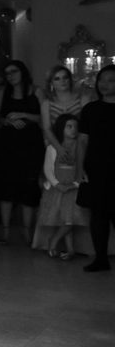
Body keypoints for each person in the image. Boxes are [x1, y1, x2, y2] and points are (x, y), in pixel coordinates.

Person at [0, 59, 43, 245]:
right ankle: (5, 230)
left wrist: (23, 115)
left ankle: (27, 230)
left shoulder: (36, 91)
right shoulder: (2, 93)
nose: (10, 76)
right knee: (6, 187)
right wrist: (7, 121)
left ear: (22, 71)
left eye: (14, 71)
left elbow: (43, 117)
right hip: (7, 145)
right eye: (7, 73)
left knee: (29, 188)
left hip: (31, 145)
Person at [33, 114, 86, 260]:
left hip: (73, 190)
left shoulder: (79, 147)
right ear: (61, 128)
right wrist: (57, 184)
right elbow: (48, 169)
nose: (73, 130)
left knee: (70, 221)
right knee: (66, 221)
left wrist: (76, 184)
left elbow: (81, 169)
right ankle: (68, 249)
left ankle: (55, 243)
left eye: (75, 127)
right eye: (69, 126)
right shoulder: (53, 148)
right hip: (57, 190)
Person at [78, 64, 115, 272]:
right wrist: (80, 167)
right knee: (98, 214)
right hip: (96, 166)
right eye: (102, 80)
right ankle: (101, 258)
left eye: (111, 80)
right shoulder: (91, 109)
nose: (104, 84)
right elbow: (83, 140)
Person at [41, 65, 91, 154]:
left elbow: (89, 126)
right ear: (51, 83)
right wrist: (59, 148)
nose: (62, 81)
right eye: (57, 79)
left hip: (81, 147)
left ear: (70, 80)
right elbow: (47, 129)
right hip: (56, 147)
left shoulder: (83, 99)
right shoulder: (46, 104)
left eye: (65, 77)